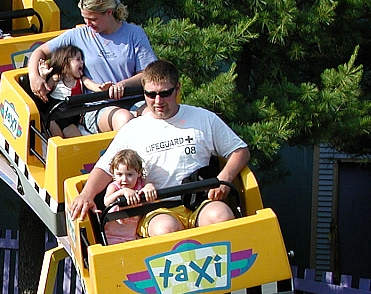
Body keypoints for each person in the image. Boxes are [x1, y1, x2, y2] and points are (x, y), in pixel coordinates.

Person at [68, 59, 250, 238]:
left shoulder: (203, 118)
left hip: (199, 200)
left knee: (221, 216)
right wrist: (86, 195)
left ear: (177, 88)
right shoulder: (133, 129)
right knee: (165, 230)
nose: (157, 101)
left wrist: (223, 178)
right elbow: (106, 167)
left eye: (165, 93)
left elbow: (240, 150)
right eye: (150, 94)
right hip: (158, 207)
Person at [27, 0, 157, 134]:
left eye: (93, 19)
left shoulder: (134, 34)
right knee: (124, 119)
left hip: (134, 99)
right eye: (85, 18)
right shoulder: (78, 35)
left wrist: (122, 84)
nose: (88, 24)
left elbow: (148, 73)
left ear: (109, 12)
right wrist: (34, 76)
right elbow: (40, 51)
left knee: (154, 117)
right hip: (99, 105)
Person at [38, 45, 109, 138]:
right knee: (57, 139)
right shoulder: (56, 79)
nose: (82, 62)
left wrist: (102, 87)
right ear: (65, 64)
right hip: (54, 118)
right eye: (78, 59)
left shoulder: (81, 80)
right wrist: (43, 76)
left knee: (75, 139)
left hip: (70, 119)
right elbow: (43, 93)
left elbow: (92, 85)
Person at [102, 149, 157, 245]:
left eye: (129, 175)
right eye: (119, 174)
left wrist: (149, 186)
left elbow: (151, 197)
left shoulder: (141, 184)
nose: (124, 179)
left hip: (135, 236)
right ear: (113, 174)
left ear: (139, 173)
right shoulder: (114, 187)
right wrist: (122, 192)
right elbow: (107, 201)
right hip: (113, 237)